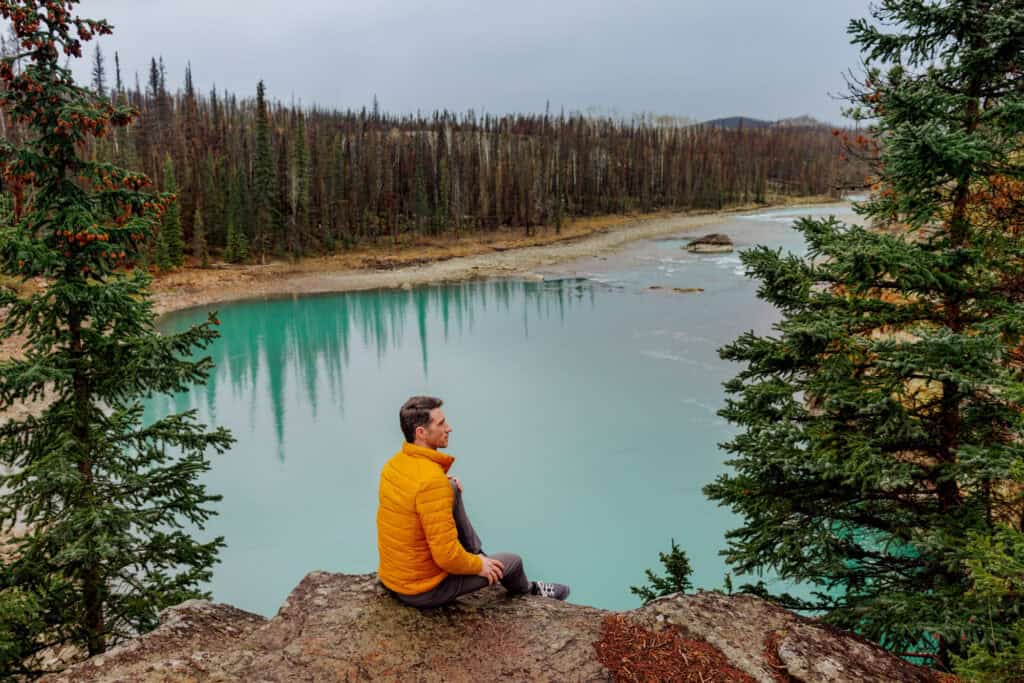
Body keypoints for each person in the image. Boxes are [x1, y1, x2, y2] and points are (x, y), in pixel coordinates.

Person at [377, 395, 570, 608]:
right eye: (441, 424)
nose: (449, 428)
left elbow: (412, 501)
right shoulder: (432, 482)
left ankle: (476, 551)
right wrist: (478, 566)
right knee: (512, 562)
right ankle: (530, 589)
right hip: (422, 590)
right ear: (421, 433)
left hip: (394, 577)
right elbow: (446, 557)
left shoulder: (393, 465)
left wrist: (443, 484)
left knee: (451, 488)